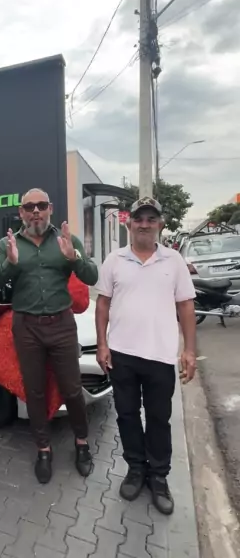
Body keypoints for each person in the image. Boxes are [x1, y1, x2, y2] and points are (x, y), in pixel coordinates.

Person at [0, 188, 98, 484]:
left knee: (72, 389)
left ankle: (82, 443)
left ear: (50, 209)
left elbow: (92, 276)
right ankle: (43, 449)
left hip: (62, 325)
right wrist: (10, 263)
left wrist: (74, 258)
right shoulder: (7, 244)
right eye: (29, 206)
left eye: (41, 205)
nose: (36, 210)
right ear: (21, 212)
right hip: (27, 328)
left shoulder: (66, 240)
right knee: (35, 391)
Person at [95, 197, 197, 515]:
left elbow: (186, 305)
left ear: (160, 224)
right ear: (129, 223)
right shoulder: (114, 260)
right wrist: (102, 344)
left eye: (151, 219)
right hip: (122, 355)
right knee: (126, 415)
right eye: (139, 219)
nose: (144, 224)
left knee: (158, 419)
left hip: (160, 356)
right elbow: (102, 304)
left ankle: (159, 477)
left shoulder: (174, 261)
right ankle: (136, 469)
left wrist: (189, 350)